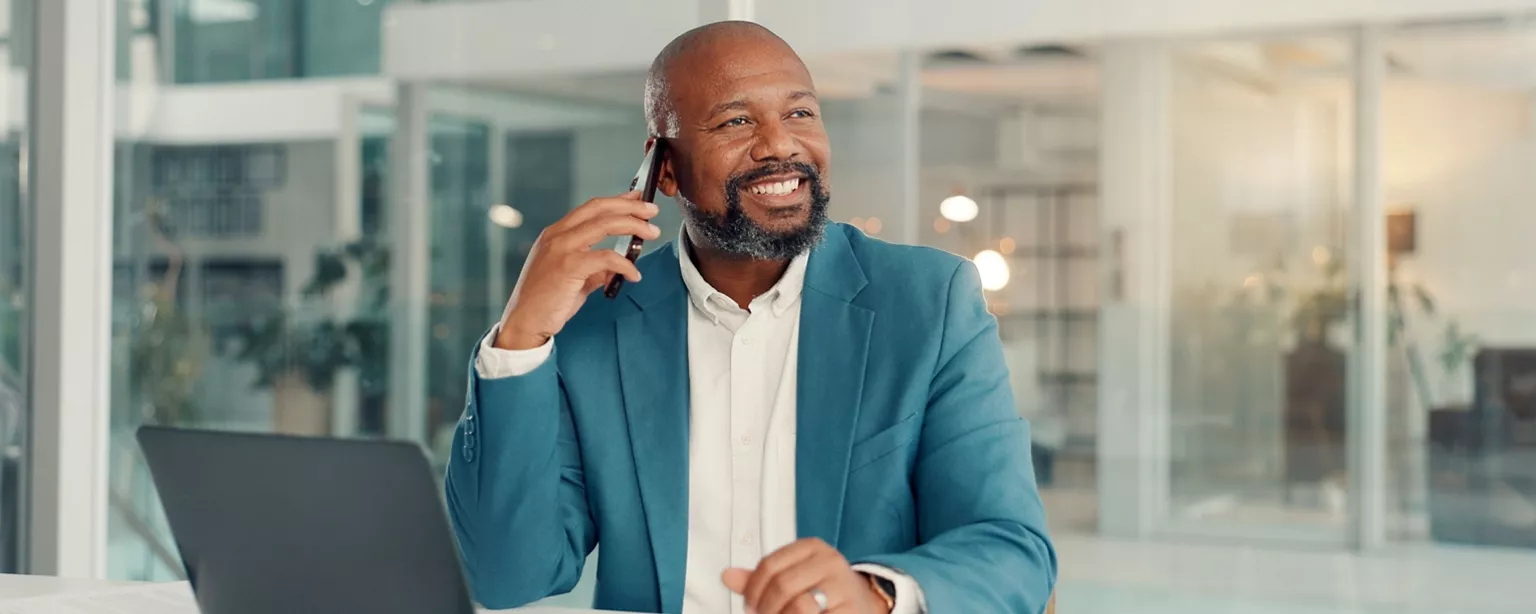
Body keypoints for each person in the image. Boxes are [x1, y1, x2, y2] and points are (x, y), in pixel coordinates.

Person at [446, 20, 1056, 614]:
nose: (781, 145)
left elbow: (1011, 550)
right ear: (662, 168)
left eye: (799, 113)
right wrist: (519, 339)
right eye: (737, 121)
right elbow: (506, 576)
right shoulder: (599, 320)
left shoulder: (928, 301)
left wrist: (876, 594)